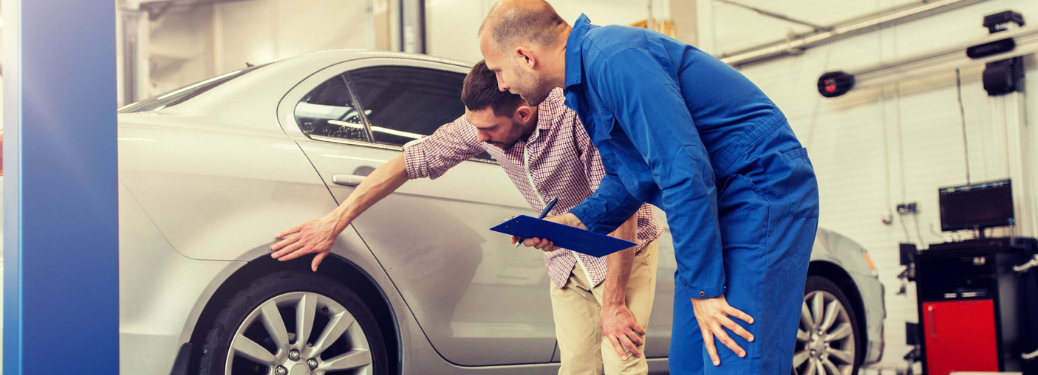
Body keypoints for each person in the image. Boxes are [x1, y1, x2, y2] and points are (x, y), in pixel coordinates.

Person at [477, 1, 820, 374]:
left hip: (760, 187)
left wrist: (705, 290)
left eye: (498, 70)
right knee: (689, 364)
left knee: (735, 360)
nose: (501, 84)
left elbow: (683, 170)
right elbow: (632, 176)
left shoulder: (614, 59)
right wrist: (576, 221)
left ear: (525, 56)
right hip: (714, 201)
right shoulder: (585, 88)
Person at [271, 60, 664, 375]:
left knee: (621, 361)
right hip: (566, 259)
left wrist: (614, 304)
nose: (479, 140)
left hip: (622, 250)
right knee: (578, 367)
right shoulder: (480, 125)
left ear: (524, 114)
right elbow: (410, 162)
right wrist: (333, 222)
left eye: (489, 130)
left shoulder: (577, 117)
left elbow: (621, 204)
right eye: (474, 127)